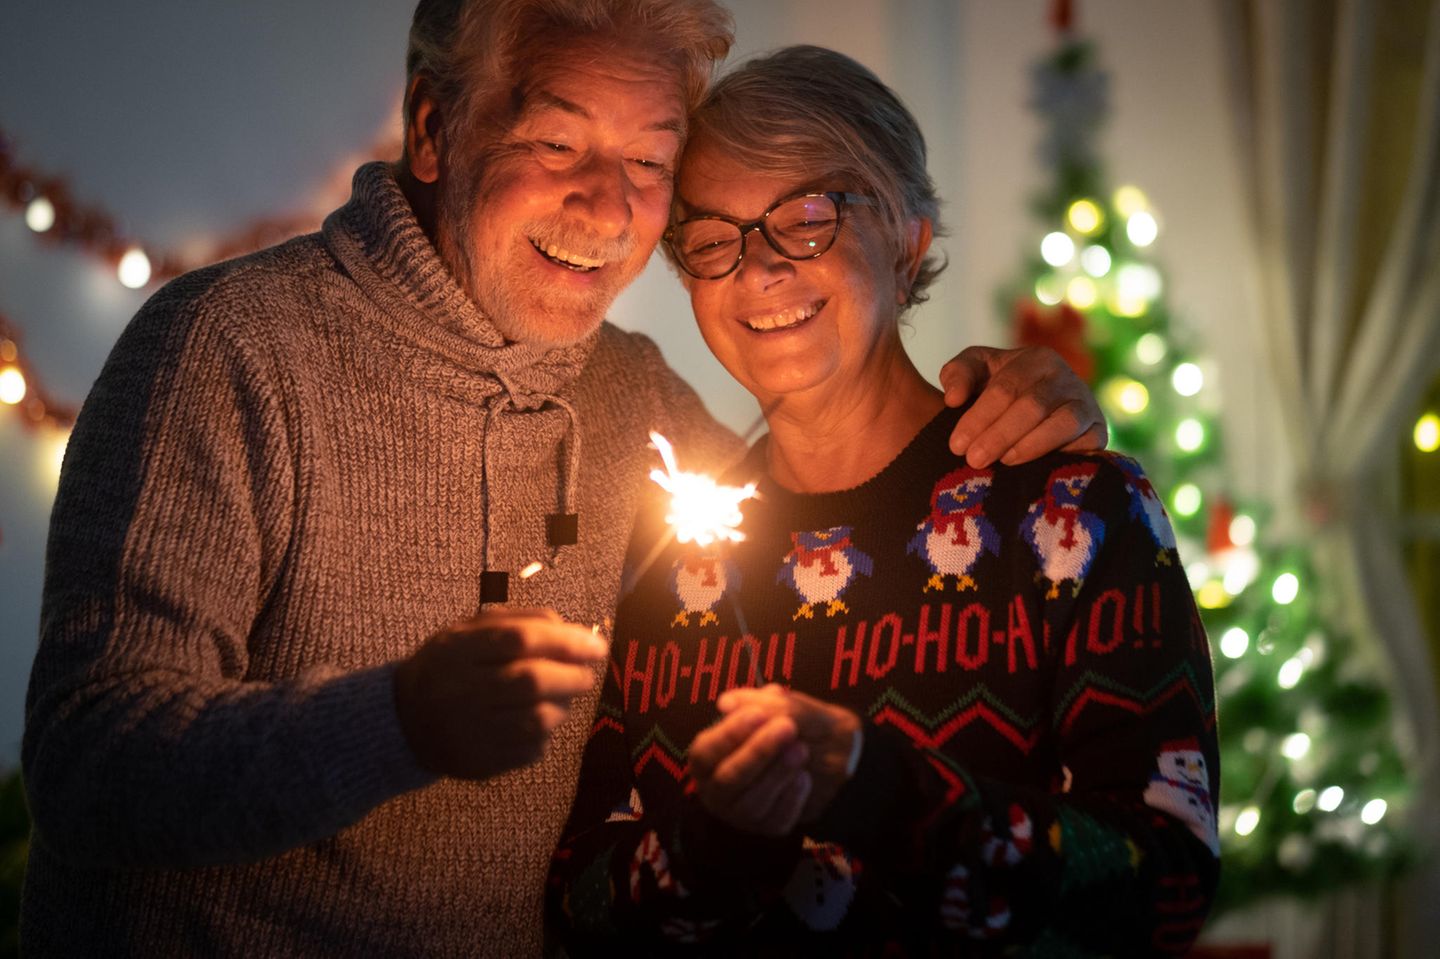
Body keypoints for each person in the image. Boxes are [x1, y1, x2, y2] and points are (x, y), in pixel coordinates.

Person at [19, 3, 1105, 957]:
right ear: (435, 128)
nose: (607, 206)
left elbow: (820, 500)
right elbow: (86, 763)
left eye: (649, 162)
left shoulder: (635, 398)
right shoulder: (226, 348)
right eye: (556, 141)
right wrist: (399, 721)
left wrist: (1022, 398)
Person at [548, 44, 1220, 955]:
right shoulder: (666, 560)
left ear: (907, 240)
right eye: (712, 240)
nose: (760, 269)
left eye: (808, 219)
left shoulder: (1074, 511)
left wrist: (877, 788)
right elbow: (580, 904)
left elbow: (1166, 883)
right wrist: (719, 840)